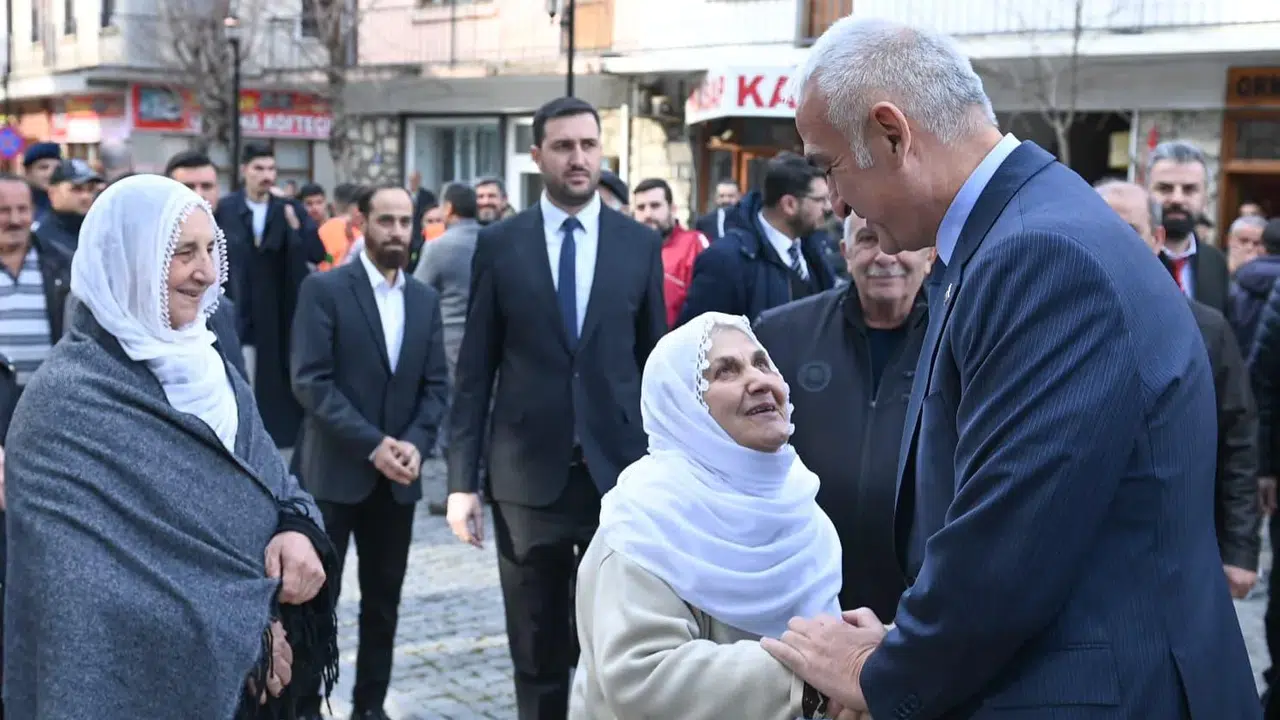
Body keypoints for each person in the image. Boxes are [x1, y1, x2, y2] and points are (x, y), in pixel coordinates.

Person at [761, 16, 1258, 719]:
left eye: (830, 165)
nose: (836, 203)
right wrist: (907, 644)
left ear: (892, 134)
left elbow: (1010, 541)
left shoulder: (1039, 254)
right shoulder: (1019, 233)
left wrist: (883, 673)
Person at [2, 175, 339, 718]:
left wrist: (299, 530)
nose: (205, 272)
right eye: (183, 252)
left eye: (210, 249)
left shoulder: (210, 363)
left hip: (260, 689)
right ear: (128, 262)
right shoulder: (64, 405)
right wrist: (243, 630)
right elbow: (82, 594)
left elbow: (271, 484)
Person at [444, 96, 667, 720]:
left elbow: (658, 367)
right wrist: (462, 483)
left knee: (618, 647)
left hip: (617, 478)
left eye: (588, 146)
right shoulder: (499, 244)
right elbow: (474, 371)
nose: (578, 158)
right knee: (537, 652)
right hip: (525, 480)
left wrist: (672, 470)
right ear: (537, 154)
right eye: (564, 146)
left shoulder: (636, 245)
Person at [569, 312, 843, 720]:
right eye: (725, 372)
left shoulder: (800, 507)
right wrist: (811, 678)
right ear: (683, 405)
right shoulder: (644, 523)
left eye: (762, 363)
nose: (759, 380)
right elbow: (643, 677)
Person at [290, 184, 449, 720]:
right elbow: (311, 383)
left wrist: (415, 445)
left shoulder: (424, 300)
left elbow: (436, 387)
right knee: (316, 606)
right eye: (387, 221)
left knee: (384, 606)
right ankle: (306, 708)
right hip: (333, 476)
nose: (399, 233)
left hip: (397, 483)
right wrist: (374, 444)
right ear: (361, 223)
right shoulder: (325, 290)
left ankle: (370, 708)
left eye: (407, 223)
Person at [753, 211, 931, 620]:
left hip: (921, 591)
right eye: (869, 240)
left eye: (898, 241)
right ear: (846, 253)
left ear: (931, 255)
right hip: (804, 582)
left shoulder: (961, 333)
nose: (885, 256)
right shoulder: (784, 334)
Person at [1097, 179, 1259, 600]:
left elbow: (1238, 437)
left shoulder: (1206, 329)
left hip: (1178, 551)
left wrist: (1240, 547)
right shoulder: (1050, 324)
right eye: (1097, 224)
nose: (1109, 239)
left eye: (1127, 229)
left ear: (1156, 239)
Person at [215, 142, 325, 452]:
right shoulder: (226, 209)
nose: (266, 176)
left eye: (271, 169)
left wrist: (296, 227)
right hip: (238, 309)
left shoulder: (289, 209)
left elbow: (316, 252)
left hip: (280, 313)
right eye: (259, 169)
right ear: (244, 171)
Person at [677, 152, 838, 326]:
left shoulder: (814, 248)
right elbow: (701, 338)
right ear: (789, 205)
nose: (828, 207)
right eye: (820, 200)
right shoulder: (725, 260)